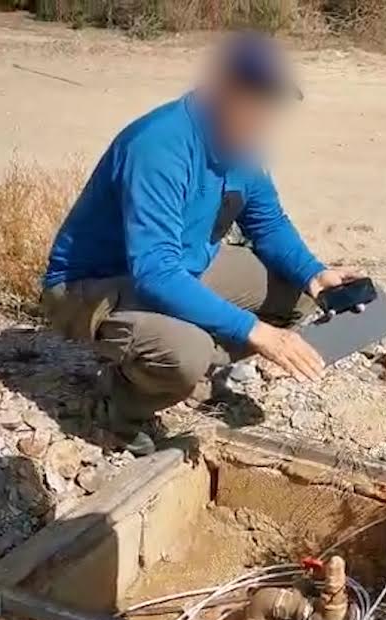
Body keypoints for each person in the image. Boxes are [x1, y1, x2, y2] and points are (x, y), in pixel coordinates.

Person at [43, 33, 351, 456]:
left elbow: (269, 224)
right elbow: (154, 272)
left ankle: (184, 362)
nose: (261, 115)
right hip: (90, 286)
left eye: (267, 102)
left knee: (298, 292)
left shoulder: (242, 146)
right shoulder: (159, 145)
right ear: (220, 89)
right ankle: (115, 412)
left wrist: (316, 274)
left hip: (178, 270)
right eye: (251, 98)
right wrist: (256, 332)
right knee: (186, 351)